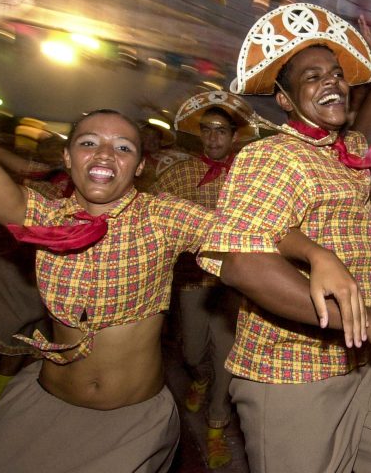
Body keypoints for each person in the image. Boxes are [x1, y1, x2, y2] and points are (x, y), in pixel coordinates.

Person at [0, 0, 358, 473]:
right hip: (42, 408)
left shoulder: (164, 218)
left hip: (132, 426)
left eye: (123, 146)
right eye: (88, 142)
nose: (104, 153)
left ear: (140, 165)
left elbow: (251, 234)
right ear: (68, 161)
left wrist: (316, 252)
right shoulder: (43, 216)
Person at [199, 2, 371, 473]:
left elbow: (362, 132)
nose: (332, 82)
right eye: (312, 77)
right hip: (291, 376)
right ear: (284, 99)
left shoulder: (340, 153)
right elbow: (241, 262)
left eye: (337, 74)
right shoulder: (273, 156)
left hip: (358, 368)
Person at [151, 89, 255, 468]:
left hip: (233, 285)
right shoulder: (178, 175)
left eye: (221, 131)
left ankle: (216, 426)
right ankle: (199, 378)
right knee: (195, 352)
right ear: (200, 134)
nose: (214, 137)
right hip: (192, 280)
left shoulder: (248, 178)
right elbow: (152, 213)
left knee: (228, 357)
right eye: (208, 130)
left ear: (233, 136)